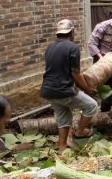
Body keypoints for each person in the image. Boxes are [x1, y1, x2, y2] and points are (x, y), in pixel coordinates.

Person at [41, 19, 98, 153]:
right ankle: (79, 131)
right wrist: (87, 89)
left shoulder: (50, 46)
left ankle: (62, 149)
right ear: (72, 32)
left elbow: (59, 70)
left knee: (63, 116)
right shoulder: (72, 47)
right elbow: (75, 73)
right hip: (63, 91)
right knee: (92, 106)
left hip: (48, 91)